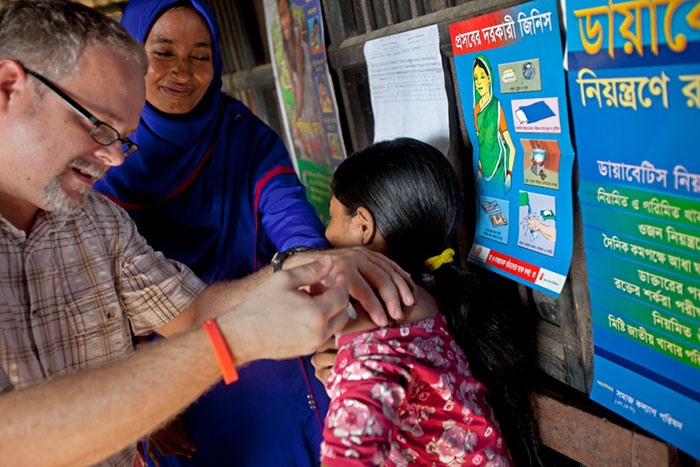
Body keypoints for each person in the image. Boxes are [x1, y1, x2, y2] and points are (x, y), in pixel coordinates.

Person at [0, 1, 414, 466]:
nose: (116, 159)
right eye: (98, 127)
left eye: (201, 55)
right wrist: (225, 347)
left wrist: (306, 263)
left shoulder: (94, 220)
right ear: (8, 87)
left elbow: (190, 308)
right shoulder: (95, 197)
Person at [93, 1, 337, 465]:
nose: (183, 73)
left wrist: (309, 258)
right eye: (162, 53)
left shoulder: (243, 136)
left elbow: (289, 213)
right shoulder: (103, 156)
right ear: (130, 55)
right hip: (171, 369)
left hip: (266, 333)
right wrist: (144, 400)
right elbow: (100, 293)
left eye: (200, 56)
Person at [317, 138, 543, 466]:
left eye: (333, 216)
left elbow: (351, 452)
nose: (326, 234)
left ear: (363, 226)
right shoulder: (432, 290)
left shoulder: (377, 314)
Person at [473, 54, 516, 196]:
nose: (479, 82)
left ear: (489, 79)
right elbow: (481, 144)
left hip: (498, 169)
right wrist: (479, 173)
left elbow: (511, 146)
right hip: (483, 171)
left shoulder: (496, 107)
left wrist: (509, 175)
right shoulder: (476, 110)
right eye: (476, 78)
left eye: (482, 77)